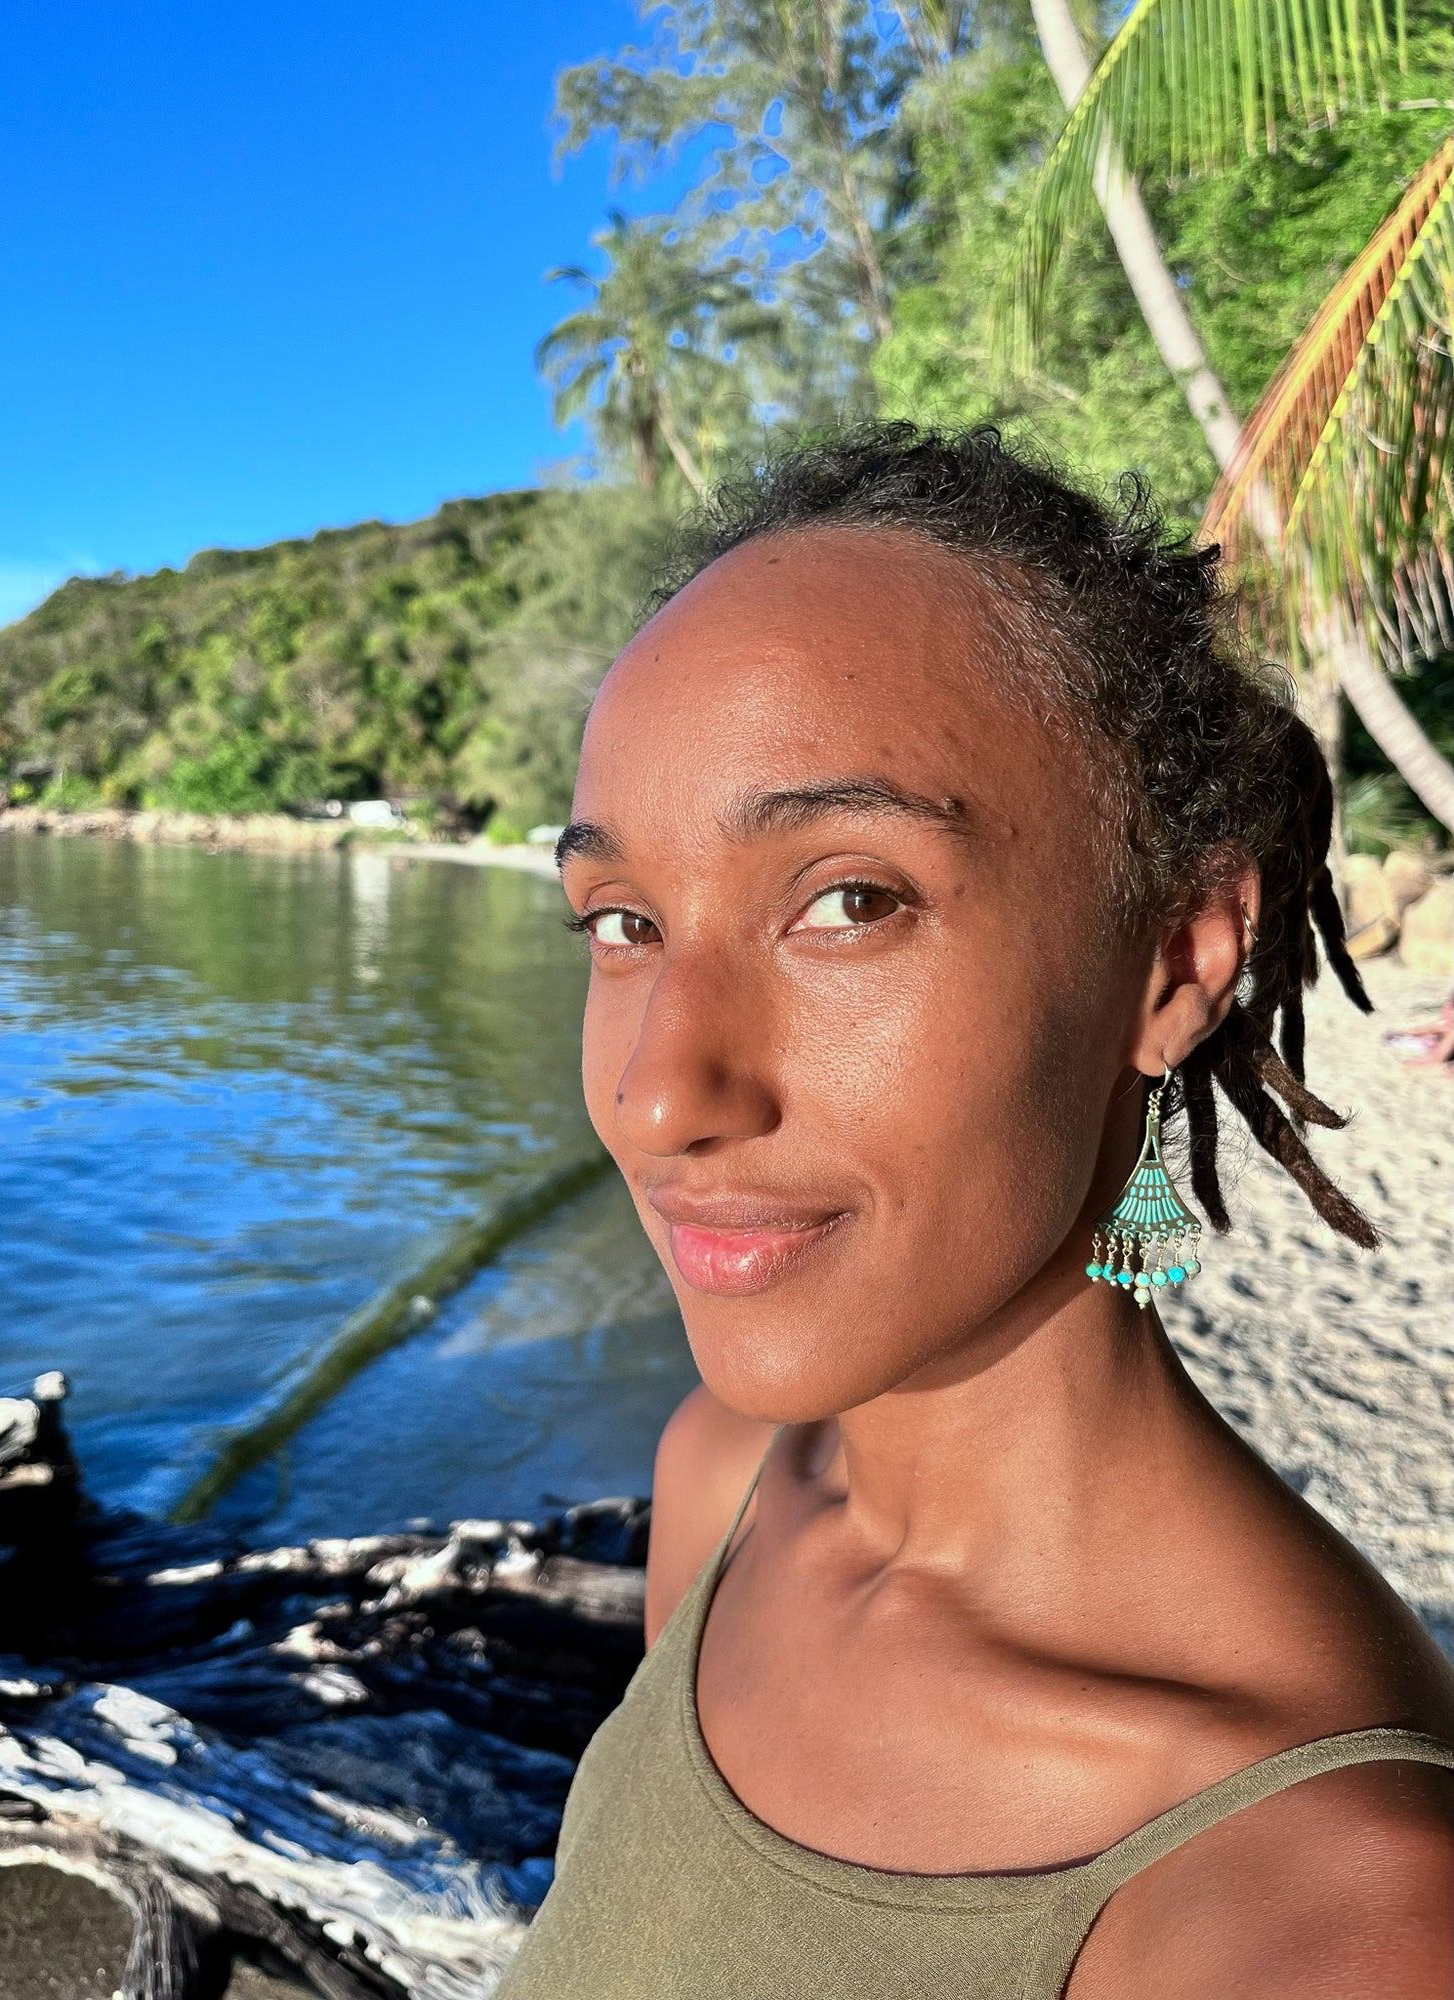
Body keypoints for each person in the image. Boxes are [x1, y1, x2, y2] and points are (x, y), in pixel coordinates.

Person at [495, 426, 1454, 1999]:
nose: (658, 1099)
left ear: (1179, 960)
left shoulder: (1321, 1916)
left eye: (849, 901)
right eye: (624, 922)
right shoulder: (725, 1485)